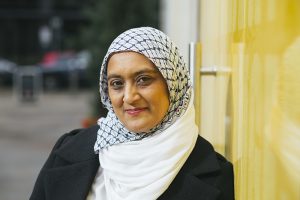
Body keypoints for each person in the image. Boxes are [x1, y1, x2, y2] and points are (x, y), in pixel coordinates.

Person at [30, 27, 234, 200]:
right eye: (117, 84)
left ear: (172, 83)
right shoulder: (69, 149)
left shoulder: (216, 177)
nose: (129, 97)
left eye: (143, 79)